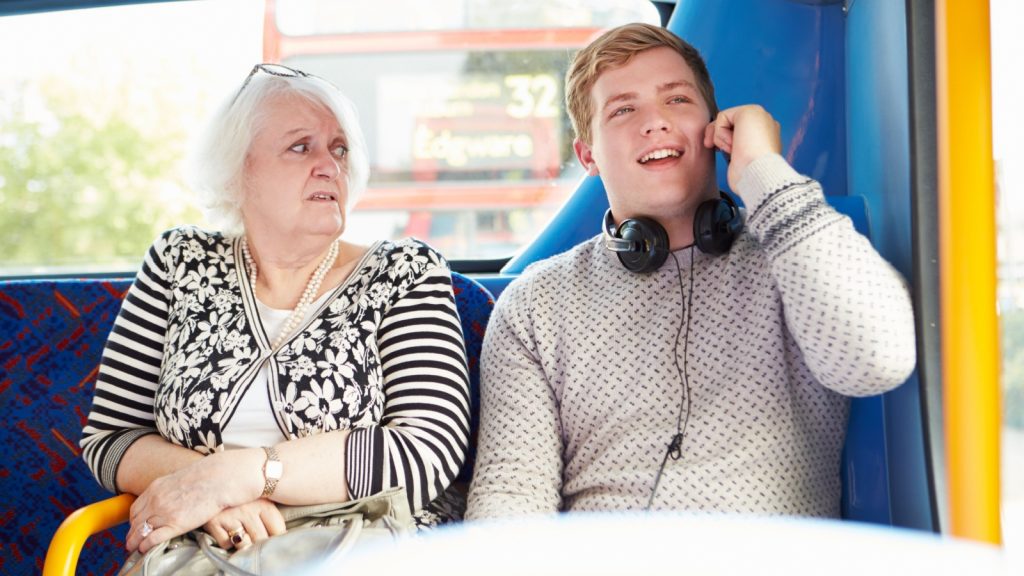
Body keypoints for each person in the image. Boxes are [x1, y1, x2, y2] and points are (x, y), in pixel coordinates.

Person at [466, 23, 916, 519]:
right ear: (588, 155)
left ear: (713, 126)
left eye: (676, 100)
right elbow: (509, 502)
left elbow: (879, 358)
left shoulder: (794, 253)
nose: (655, 122)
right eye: (624, 109)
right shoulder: (536, 303)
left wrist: (762, 168)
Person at [80, 63, 470, 554]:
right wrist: (214, 496)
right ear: (239, 167)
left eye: (340, 148)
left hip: (362, 546)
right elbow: (111, 437)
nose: (330, 164)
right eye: (301, 146)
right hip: (205, 549)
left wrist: (246, 474)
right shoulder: (179, 262)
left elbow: (426, 451)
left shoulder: (404, 271)